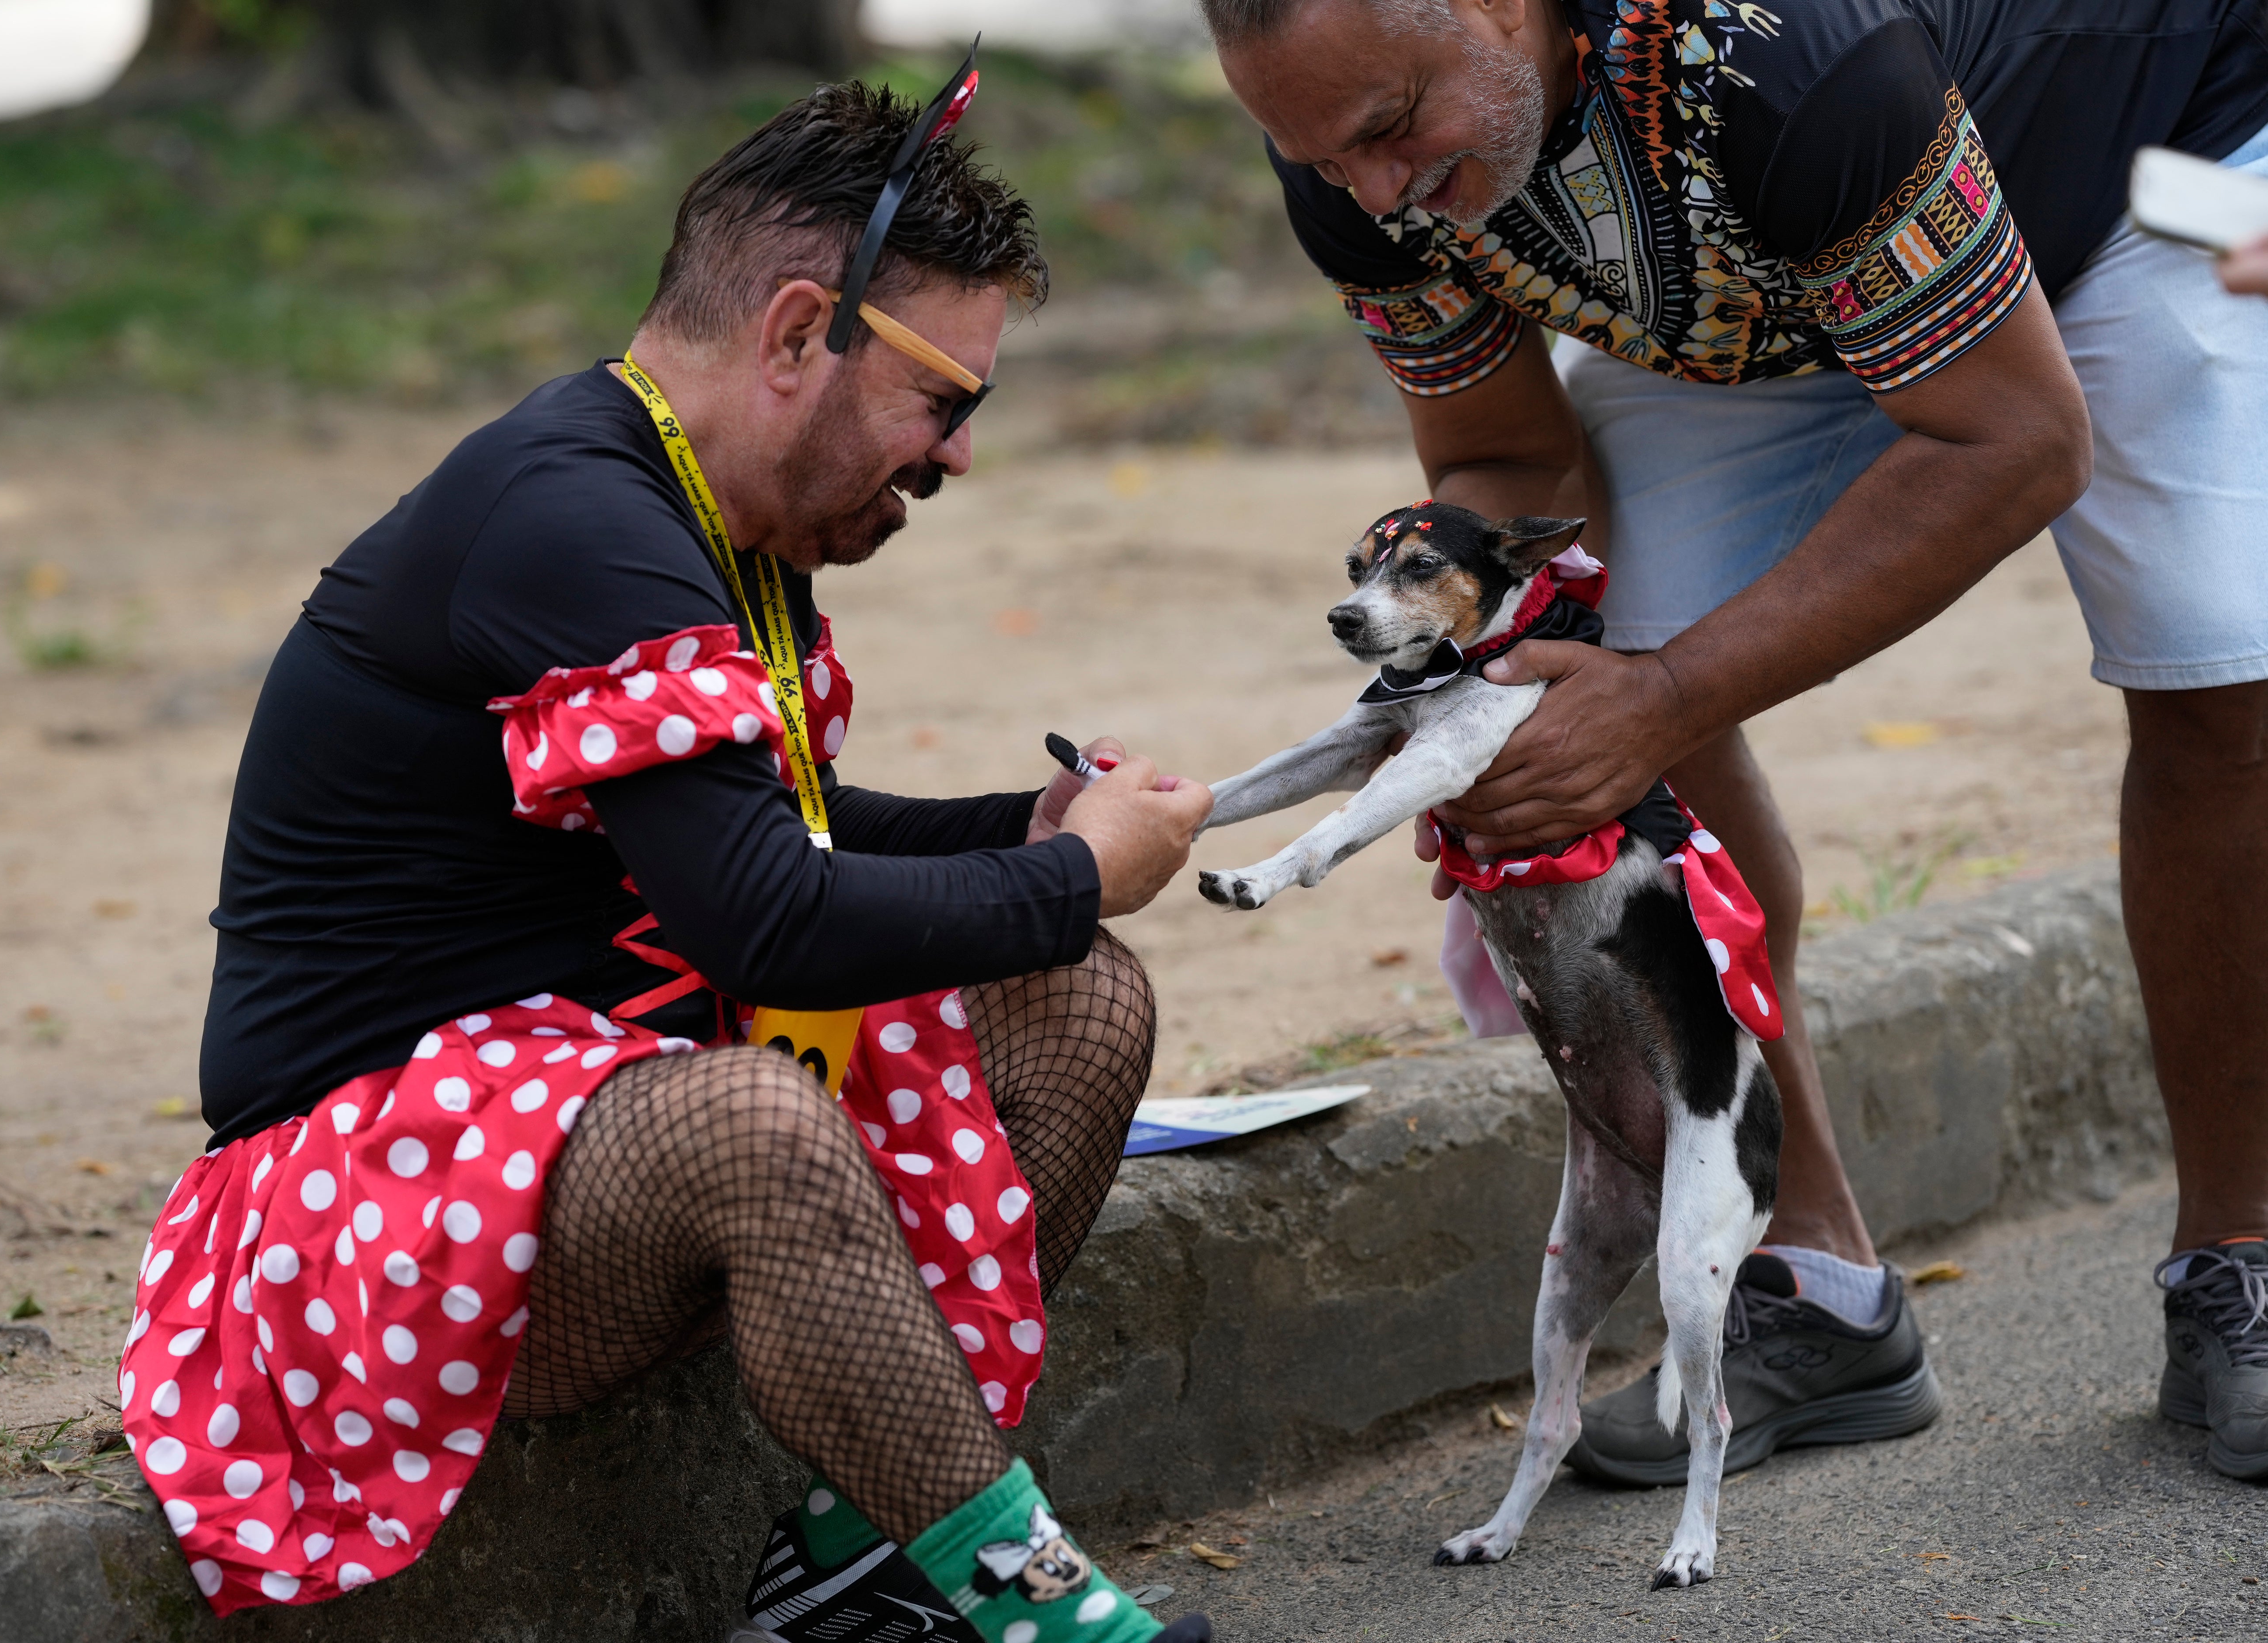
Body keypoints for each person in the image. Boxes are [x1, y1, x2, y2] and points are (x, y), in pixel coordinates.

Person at [116, 72, 1219, 1643]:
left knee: (1079, 996)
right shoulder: (572, 515)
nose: (956, 457)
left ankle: (870, 1555)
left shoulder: (701, 517)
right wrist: (1074, 873)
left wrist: (1029, 838)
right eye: (945, 403)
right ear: (792, 335)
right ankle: (1030, 1600)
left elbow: (785, 833)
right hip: (354, 1214)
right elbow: (772, 927)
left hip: (560, 1137)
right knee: (760, 1114)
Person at [1204, 0, 2268, 1485]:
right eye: (1317, 155)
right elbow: (1503, 462)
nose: (1368, 189)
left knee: (2222, 670)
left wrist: (1671, 693)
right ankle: (1815, 1282)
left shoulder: (1779, 56)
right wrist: (1527, 679)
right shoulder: (1346, 145)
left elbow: (2013, 437)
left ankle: (2239, 1259)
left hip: (2130, 168)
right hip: (1771, 268)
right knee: (1612, 655)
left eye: (1389, 131)